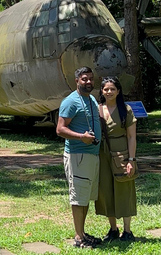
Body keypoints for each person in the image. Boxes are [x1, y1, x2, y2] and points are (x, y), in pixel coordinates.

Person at [56, 66, 102, 248]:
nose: (88, 82)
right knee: (78, 198)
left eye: (91, 78)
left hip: (92, 155)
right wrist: (81, 137)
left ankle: (83, 232)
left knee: (86, 197)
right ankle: (78, 237)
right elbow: (60, 129)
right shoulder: (71, 101)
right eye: (84, 79)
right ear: (76, 80)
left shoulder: (91, 98)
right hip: (78, 156)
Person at [95, 76, 138, 242]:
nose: (109, 92)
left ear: (118, 91)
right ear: (102, 91)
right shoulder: (97, 109)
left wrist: (131, 160)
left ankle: (127, 231)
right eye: (106, 89)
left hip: (122, 154)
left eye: (112, 89)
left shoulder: (125, 110)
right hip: (102, 154)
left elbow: (131, 136)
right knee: (105, 191)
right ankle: (113, 228)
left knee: (124, 189)